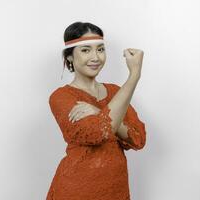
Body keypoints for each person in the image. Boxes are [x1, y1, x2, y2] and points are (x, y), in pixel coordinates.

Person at [46, 21, 146, 200]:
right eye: (85, 50)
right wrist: (134, 76)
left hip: (116, 189)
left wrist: (97, 111)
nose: (96, 57)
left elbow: (137, 138)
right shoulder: (61, 97)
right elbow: (98, 133)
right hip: (77, 189)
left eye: (100, 49)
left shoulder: (116, 92)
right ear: (69, 56)